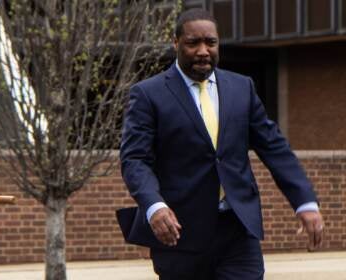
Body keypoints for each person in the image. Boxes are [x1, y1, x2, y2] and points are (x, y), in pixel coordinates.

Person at [117, 8, 324, 280]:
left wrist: (305, 203)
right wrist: (154, 206)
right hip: (179, 234)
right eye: (193, 43)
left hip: (237, 230)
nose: (203, 51)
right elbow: (135, 160)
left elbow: (274, 148)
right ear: (176, 43)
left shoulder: (242, 88)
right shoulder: (148, 94)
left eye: (211, 43)